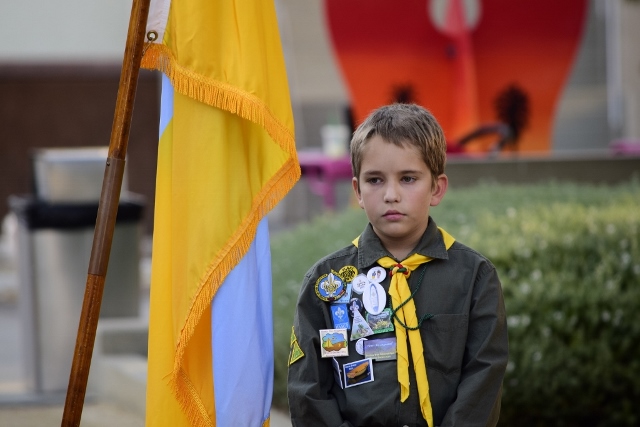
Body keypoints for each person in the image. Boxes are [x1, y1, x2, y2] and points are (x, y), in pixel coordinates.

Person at [287, 103, 508, 427]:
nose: (391, 194)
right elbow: (308, 391)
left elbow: (483, 378)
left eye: (408, 178)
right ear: (357, 191)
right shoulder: (328, 282)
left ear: (436, 187)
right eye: (375, 180)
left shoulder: (474, 277)